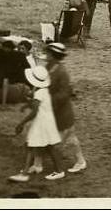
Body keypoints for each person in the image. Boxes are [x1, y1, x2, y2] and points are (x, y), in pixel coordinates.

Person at [30, 43, 88, 175]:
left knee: (58, 140)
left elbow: (64, 93)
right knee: (43, 134)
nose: (46, 55)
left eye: (48, 53)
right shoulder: (49, 67)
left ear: (54, 55)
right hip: (53, 110)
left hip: (60, 112)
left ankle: (78, 162)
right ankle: (37, 164)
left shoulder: (62, 72)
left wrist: (47, 99)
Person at [8, 65, 66, 182]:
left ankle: (25, 174)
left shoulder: (39, 93)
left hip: (41, 122)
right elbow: (38, 104)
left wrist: (22, 123)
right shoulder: (44, 91)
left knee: (31, 145)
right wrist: (27, 104)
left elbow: (35, 112)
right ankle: (56, 170)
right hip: (47, 120)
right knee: (48, 146)